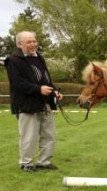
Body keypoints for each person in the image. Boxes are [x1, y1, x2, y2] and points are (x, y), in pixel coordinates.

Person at [4, 31, 63, 172]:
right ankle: (26, 163)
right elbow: (18, 83)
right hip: (27, 104)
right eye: (29, 42)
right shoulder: (13, 60)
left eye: (34, 41)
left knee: (49, 134)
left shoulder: (39, 57)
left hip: (45, 103)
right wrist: (38, 89)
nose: (33, 44)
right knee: (29, 136)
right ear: (20, 44)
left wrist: (54, 91)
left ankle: (44, 162)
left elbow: (45, 80)